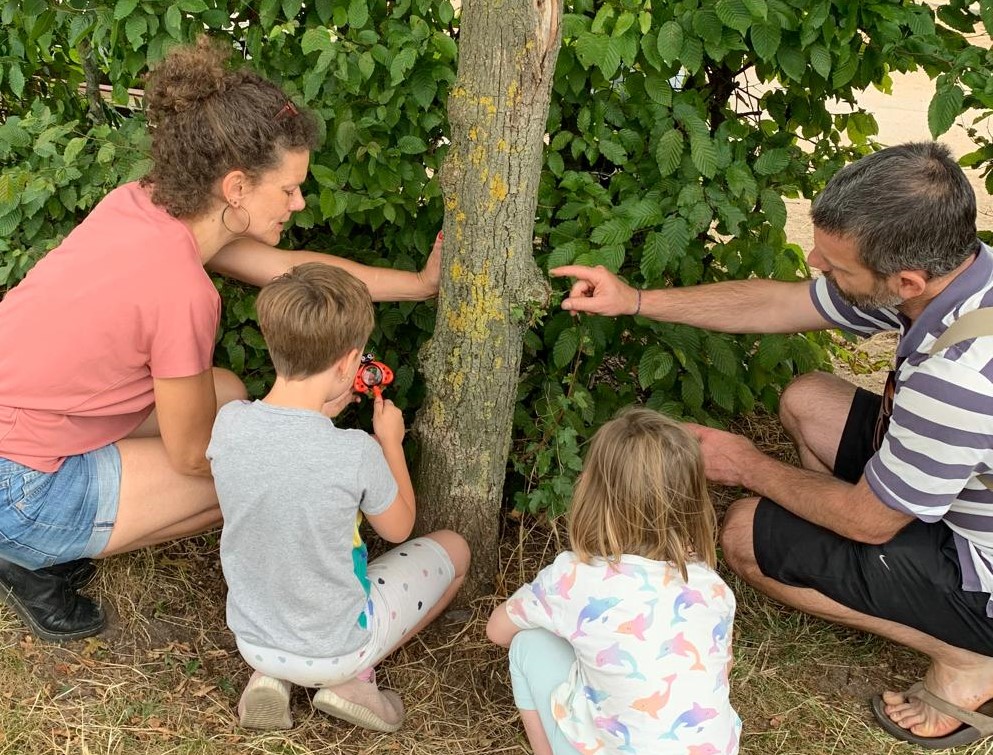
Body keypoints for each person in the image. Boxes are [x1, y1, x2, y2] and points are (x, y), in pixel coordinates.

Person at [0, 35, 444, 643]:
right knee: (251, 480)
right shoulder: (181, 290)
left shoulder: (142, 205)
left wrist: (421, 285)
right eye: (287, 189)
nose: (300, 201)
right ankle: (31, 558)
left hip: (22, 422)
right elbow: (193, 456)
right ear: (236, 188)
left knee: (229, 392)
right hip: (18, 489)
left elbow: (295, 269)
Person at [550, 142, 993, 749]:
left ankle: (969, 658)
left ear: (906, 279)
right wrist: (636, 301)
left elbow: (869, 522)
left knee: (744, 534)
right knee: (809, 398)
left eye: (836, 266)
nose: (812, 261)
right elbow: (781, 302)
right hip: (964, 494)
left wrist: (747, 466)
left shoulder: (959, 375)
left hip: (982, 567)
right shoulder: (964, 277)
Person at [206, 262, 470, 732]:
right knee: (456, 549)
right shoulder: (357, 452)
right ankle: (355, 680)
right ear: (350, 364)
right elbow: (399, 527)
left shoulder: (230, 422)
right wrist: (390, 441)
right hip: (337, 648)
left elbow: (285, 462)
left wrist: (323, 404)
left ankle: (268, 677)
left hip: (253, 636)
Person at [487, 407, 740, 755]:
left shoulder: (574, 577)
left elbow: (496, 631)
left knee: (527, 645)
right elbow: (720, 670)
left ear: (593, 493)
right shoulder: (714, 589)